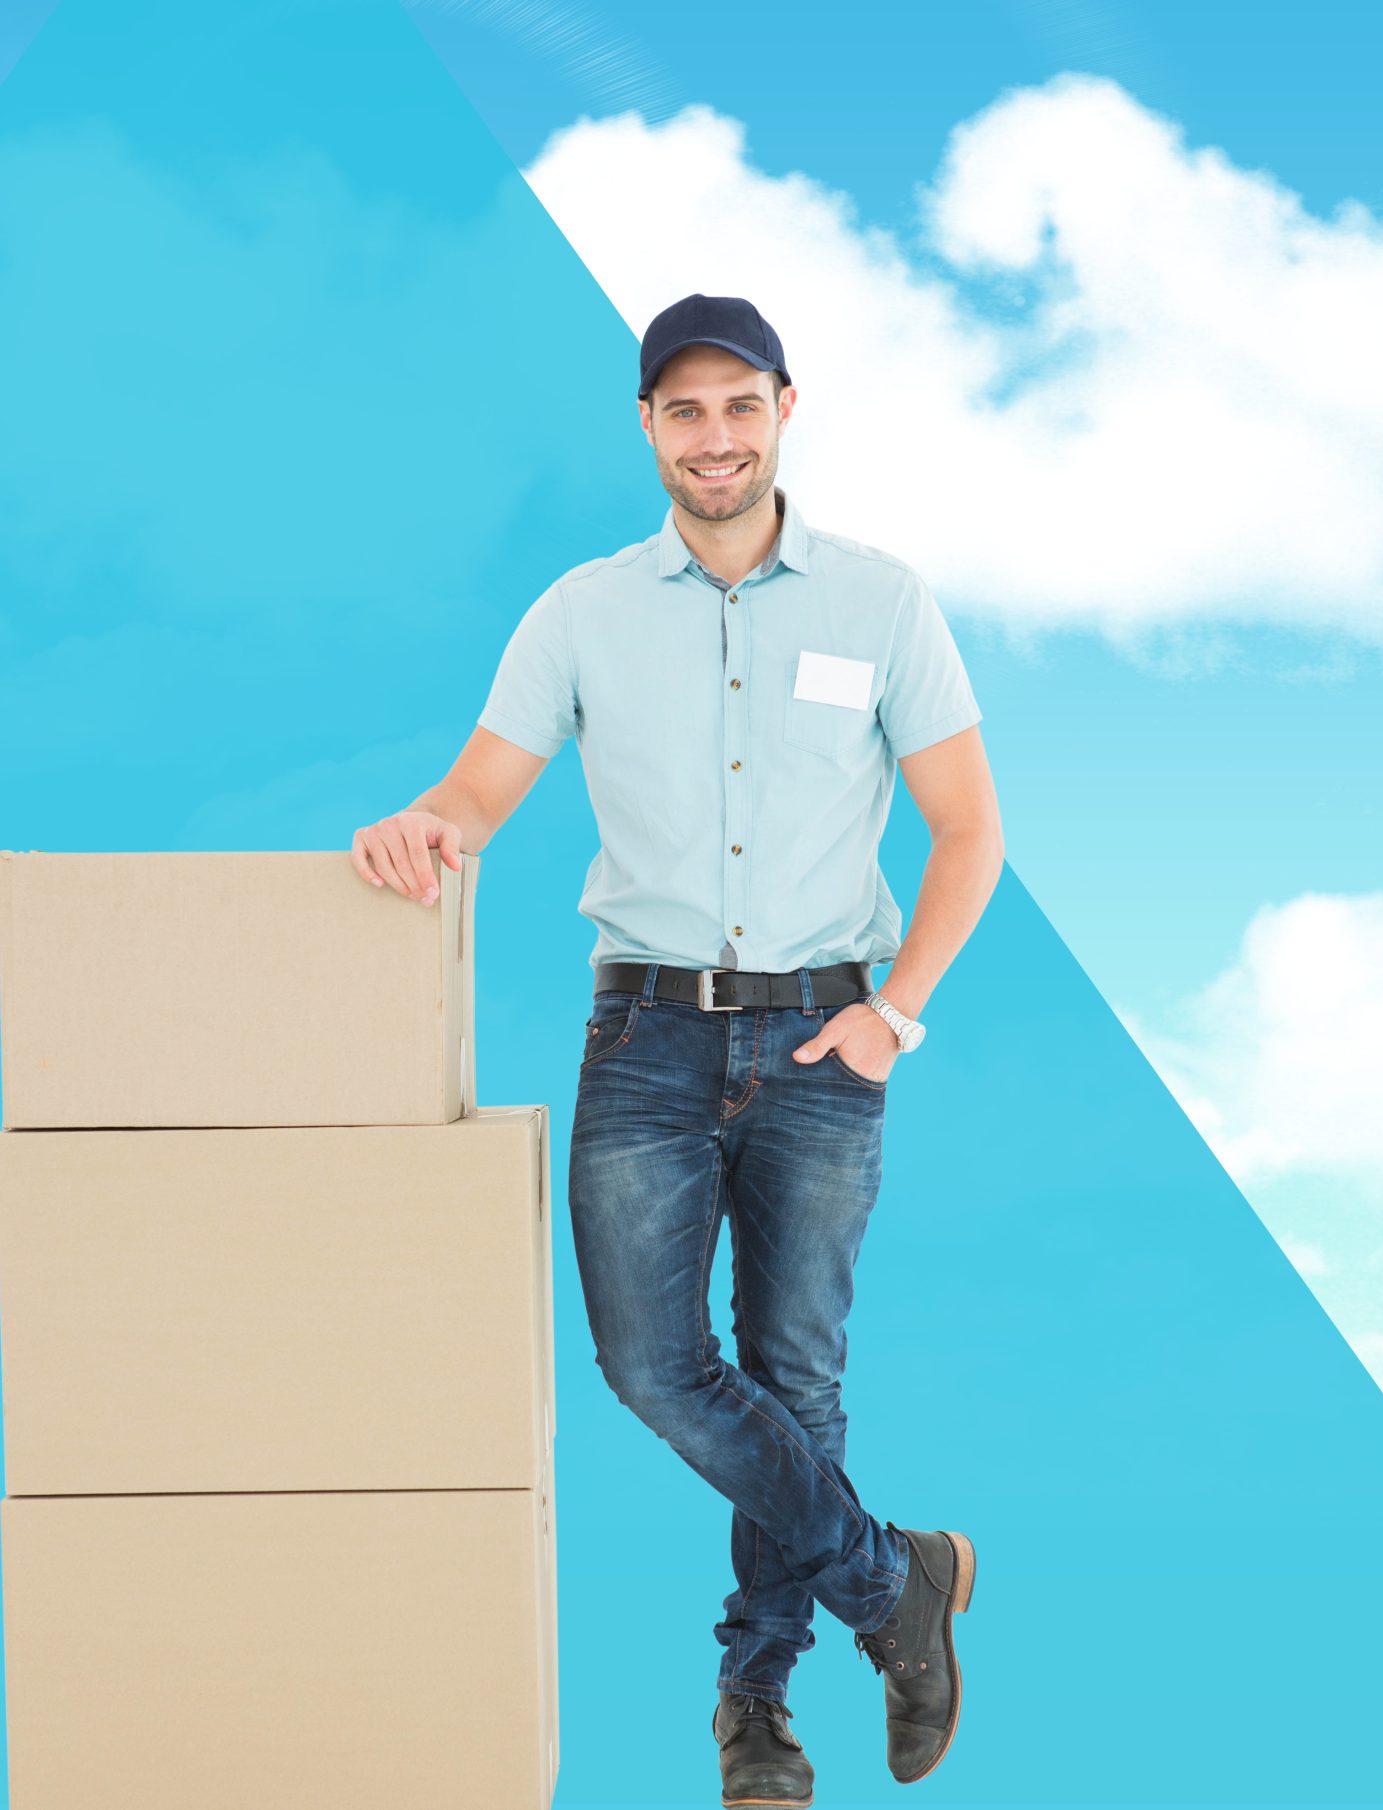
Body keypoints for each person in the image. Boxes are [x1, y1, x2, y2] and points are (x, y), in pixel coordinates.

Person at [351, 292, 1002, 1807]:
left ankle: (756, 1706)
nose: (716, 436)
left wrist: (894, 1009)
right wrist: (418, 826)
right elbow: (474, 794)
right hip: (643, 1031)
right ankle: (892, 1582)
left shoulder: (881, 600)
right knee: (653, 1365)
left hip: (825, 1032)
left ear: (786, 408)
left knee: (796, 1376)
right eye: (685, 410)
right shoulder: (580, 609)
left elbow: (967, 827)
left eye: (740, 405)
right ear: (648, 426)